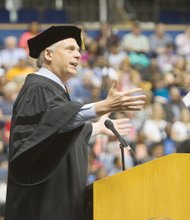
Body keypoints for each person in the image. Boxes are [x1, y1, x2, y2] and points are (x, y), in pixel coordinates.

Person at [4, 25, 146, 220]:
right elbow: (50, 125)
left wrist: (97, 128)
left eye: (78, 50)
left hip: (59, 204)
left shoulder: (56, 91)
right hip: (40, 206)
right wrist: (102, 106)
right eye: (70, 49)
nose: (78, 55)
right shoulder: (37, 88)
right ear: (48, 54)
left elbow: (54, 130)